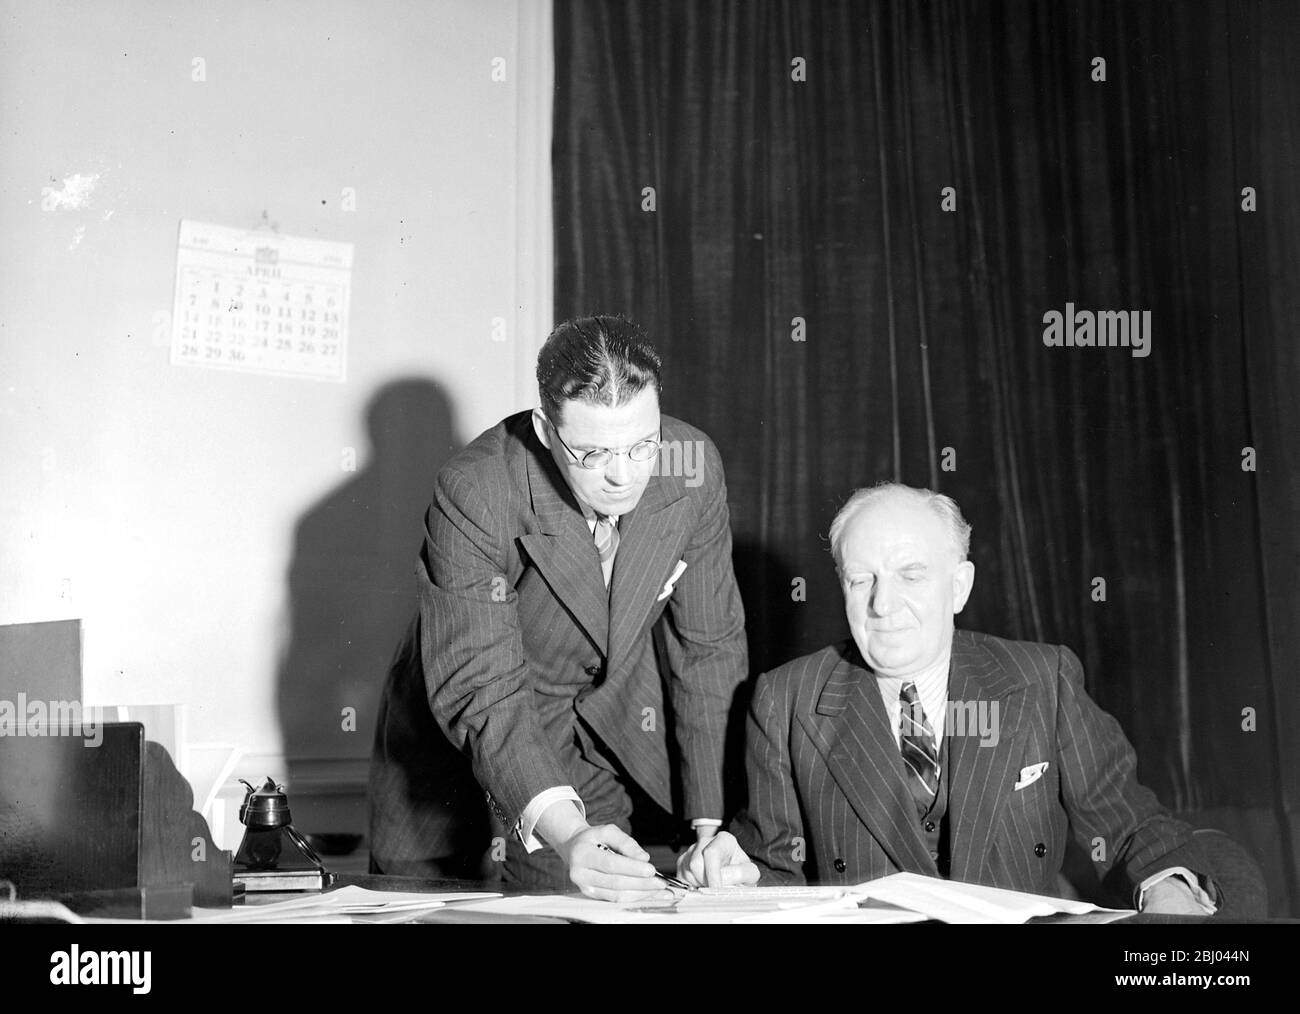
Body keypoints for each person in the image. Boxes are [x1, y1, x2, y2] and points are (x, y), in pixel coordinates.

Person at [695, 482, 1218, 913]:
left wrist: (1168, 888)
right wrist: (734, 873)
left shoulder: (1042, 680)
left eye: (911, 575)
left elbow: (1129, 825)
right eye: (861, 580)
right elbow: (774, 866)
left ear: (960, 586)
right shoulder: (785, 699)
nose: (882, 603)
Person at [369, 314, 750, 899]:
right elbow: (484, 686)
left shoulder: (690, 466)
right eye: (593, 452)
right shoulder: (477, 488)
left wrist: (710, 826)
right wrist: (567, 832)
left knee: (586, 898)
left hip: (589, 730)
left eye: (641, 445)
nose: (623, 477)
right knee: (423, 909)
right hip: (455, 728)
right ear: (546, 431)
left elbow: (708, 648)